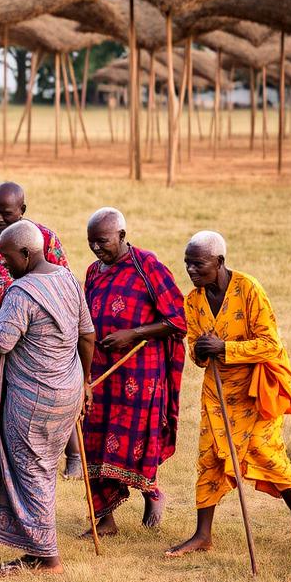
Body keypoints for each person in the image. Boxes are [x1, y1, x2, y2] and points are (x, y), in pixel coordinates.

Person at [166, 231, 291, 559]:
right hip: (217, 391)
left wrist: (225, 347)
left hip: (255, 389)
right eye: (187, 264)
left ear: (219, 261)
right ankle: (202, 535)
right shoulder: (193, 300)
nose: (191, 270)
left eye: (198, 264)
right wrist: (203, 352)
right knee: (209, 458)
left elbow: (270, 343)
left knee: (266, 452)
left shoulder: (249, 289)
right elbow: (195, 350)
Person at [0, 220, 95, 575]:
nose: (5, 268)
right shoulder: (68, 279)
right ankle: (38, 548)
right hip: (66, 390)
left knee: (31, 469)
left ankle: (46, 556)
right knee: (44, 467)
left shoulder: (22, 293)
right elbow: (87, 335)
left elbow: (1, 341)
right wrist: (84, 382)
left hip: (32, 396)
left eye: (8, 261)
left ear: (26, 252)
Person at [0, 181, 81, 476]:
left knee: (42, 392)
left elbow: (63, 283)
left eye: (5, 213)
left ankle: (73, 456)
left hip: (36, 334)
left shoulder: (43, 238)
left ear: (22, 210)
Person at [82, 207, 186, 536]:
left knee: (136, 442)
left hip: (140, 373)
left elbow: (178, 320)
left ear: (122, 236)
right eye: (91, 243)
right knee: (94, 441)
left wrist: (134, 334)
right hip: (100, 371)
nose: (97, 249)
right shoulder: (93, 272)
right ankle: (106, 519)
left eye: (103, 241)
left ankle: (151, 492)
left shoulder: (147, 267)